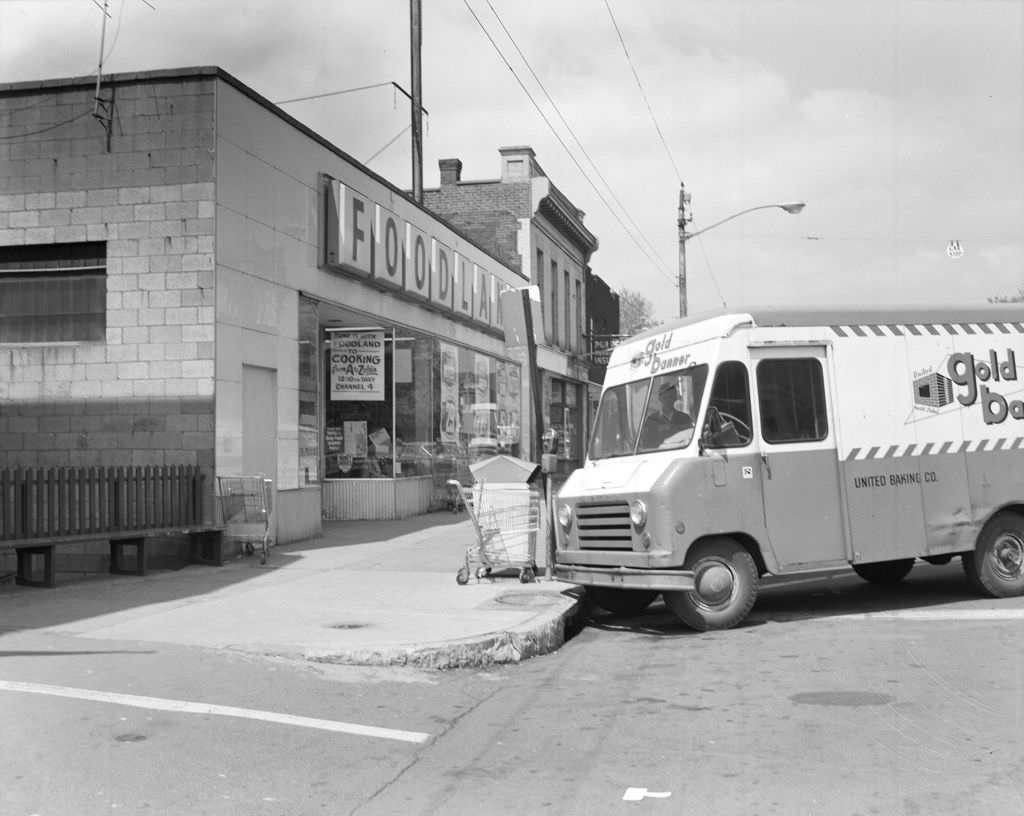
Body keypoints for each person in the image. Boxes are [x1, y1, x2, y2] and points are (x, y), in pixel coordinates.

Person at [641, 382, 693, 448]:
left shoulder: (684, 418)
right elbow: (647, 444)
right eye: (665, 397)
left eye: (671, 397)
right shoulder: (651, 420)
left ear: (675, 398)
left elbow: (690, 438)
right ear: (660, 398)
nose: (668, 400)